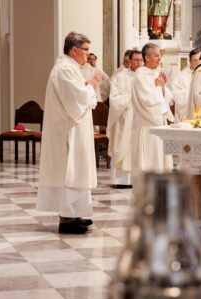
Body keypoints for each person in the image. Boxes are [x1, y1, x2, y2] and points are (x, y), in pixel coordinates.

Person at [36, 32, 102, 234]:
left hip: (73, 129)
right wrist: (90, 85)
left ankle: (74, 214)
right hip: (68, 132)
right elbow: (77, 98)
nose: (88, 55)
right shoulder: (64, 69)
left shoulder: (70, 68)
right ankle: (66, 219)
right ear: (74, 50)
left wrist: (87, 86)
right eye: (86, 50)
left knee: (76, 171)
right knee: (70, 172)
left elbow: (77, 94)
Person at [131, 43, 174, 178]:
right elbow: (146, 101)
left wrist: (161, 88)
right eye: (156, 56)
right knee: (150, 162)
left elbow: (166, 97)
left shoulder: (156, 73)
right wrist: (157, 87)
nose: (159, 59)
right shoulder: (140, 75)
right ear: (147, 57)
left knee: (161, 162)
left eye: (159, 56)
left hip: (159, 123)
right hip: (148, 125)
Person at [107, 50, 143, 188]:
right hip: (125, 118)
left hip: (140, 119)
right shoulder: (120, 77)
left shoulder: (146, 77)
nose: (139, 63)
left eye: (141, 60)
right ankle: (122, 180)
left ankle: (138, 179)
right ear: (129, 61)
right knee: (124, 147)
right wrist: (131, 98)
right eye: (136, 60)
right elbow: (114, 100)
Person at [170, 48, 201, 122]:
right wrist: (194, 93)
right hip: (185, 117)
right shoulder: (181, 77)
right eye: (195, 60)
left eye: (200, 60)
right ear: (190, 62)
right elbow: (175, 96)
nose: (198, 63)